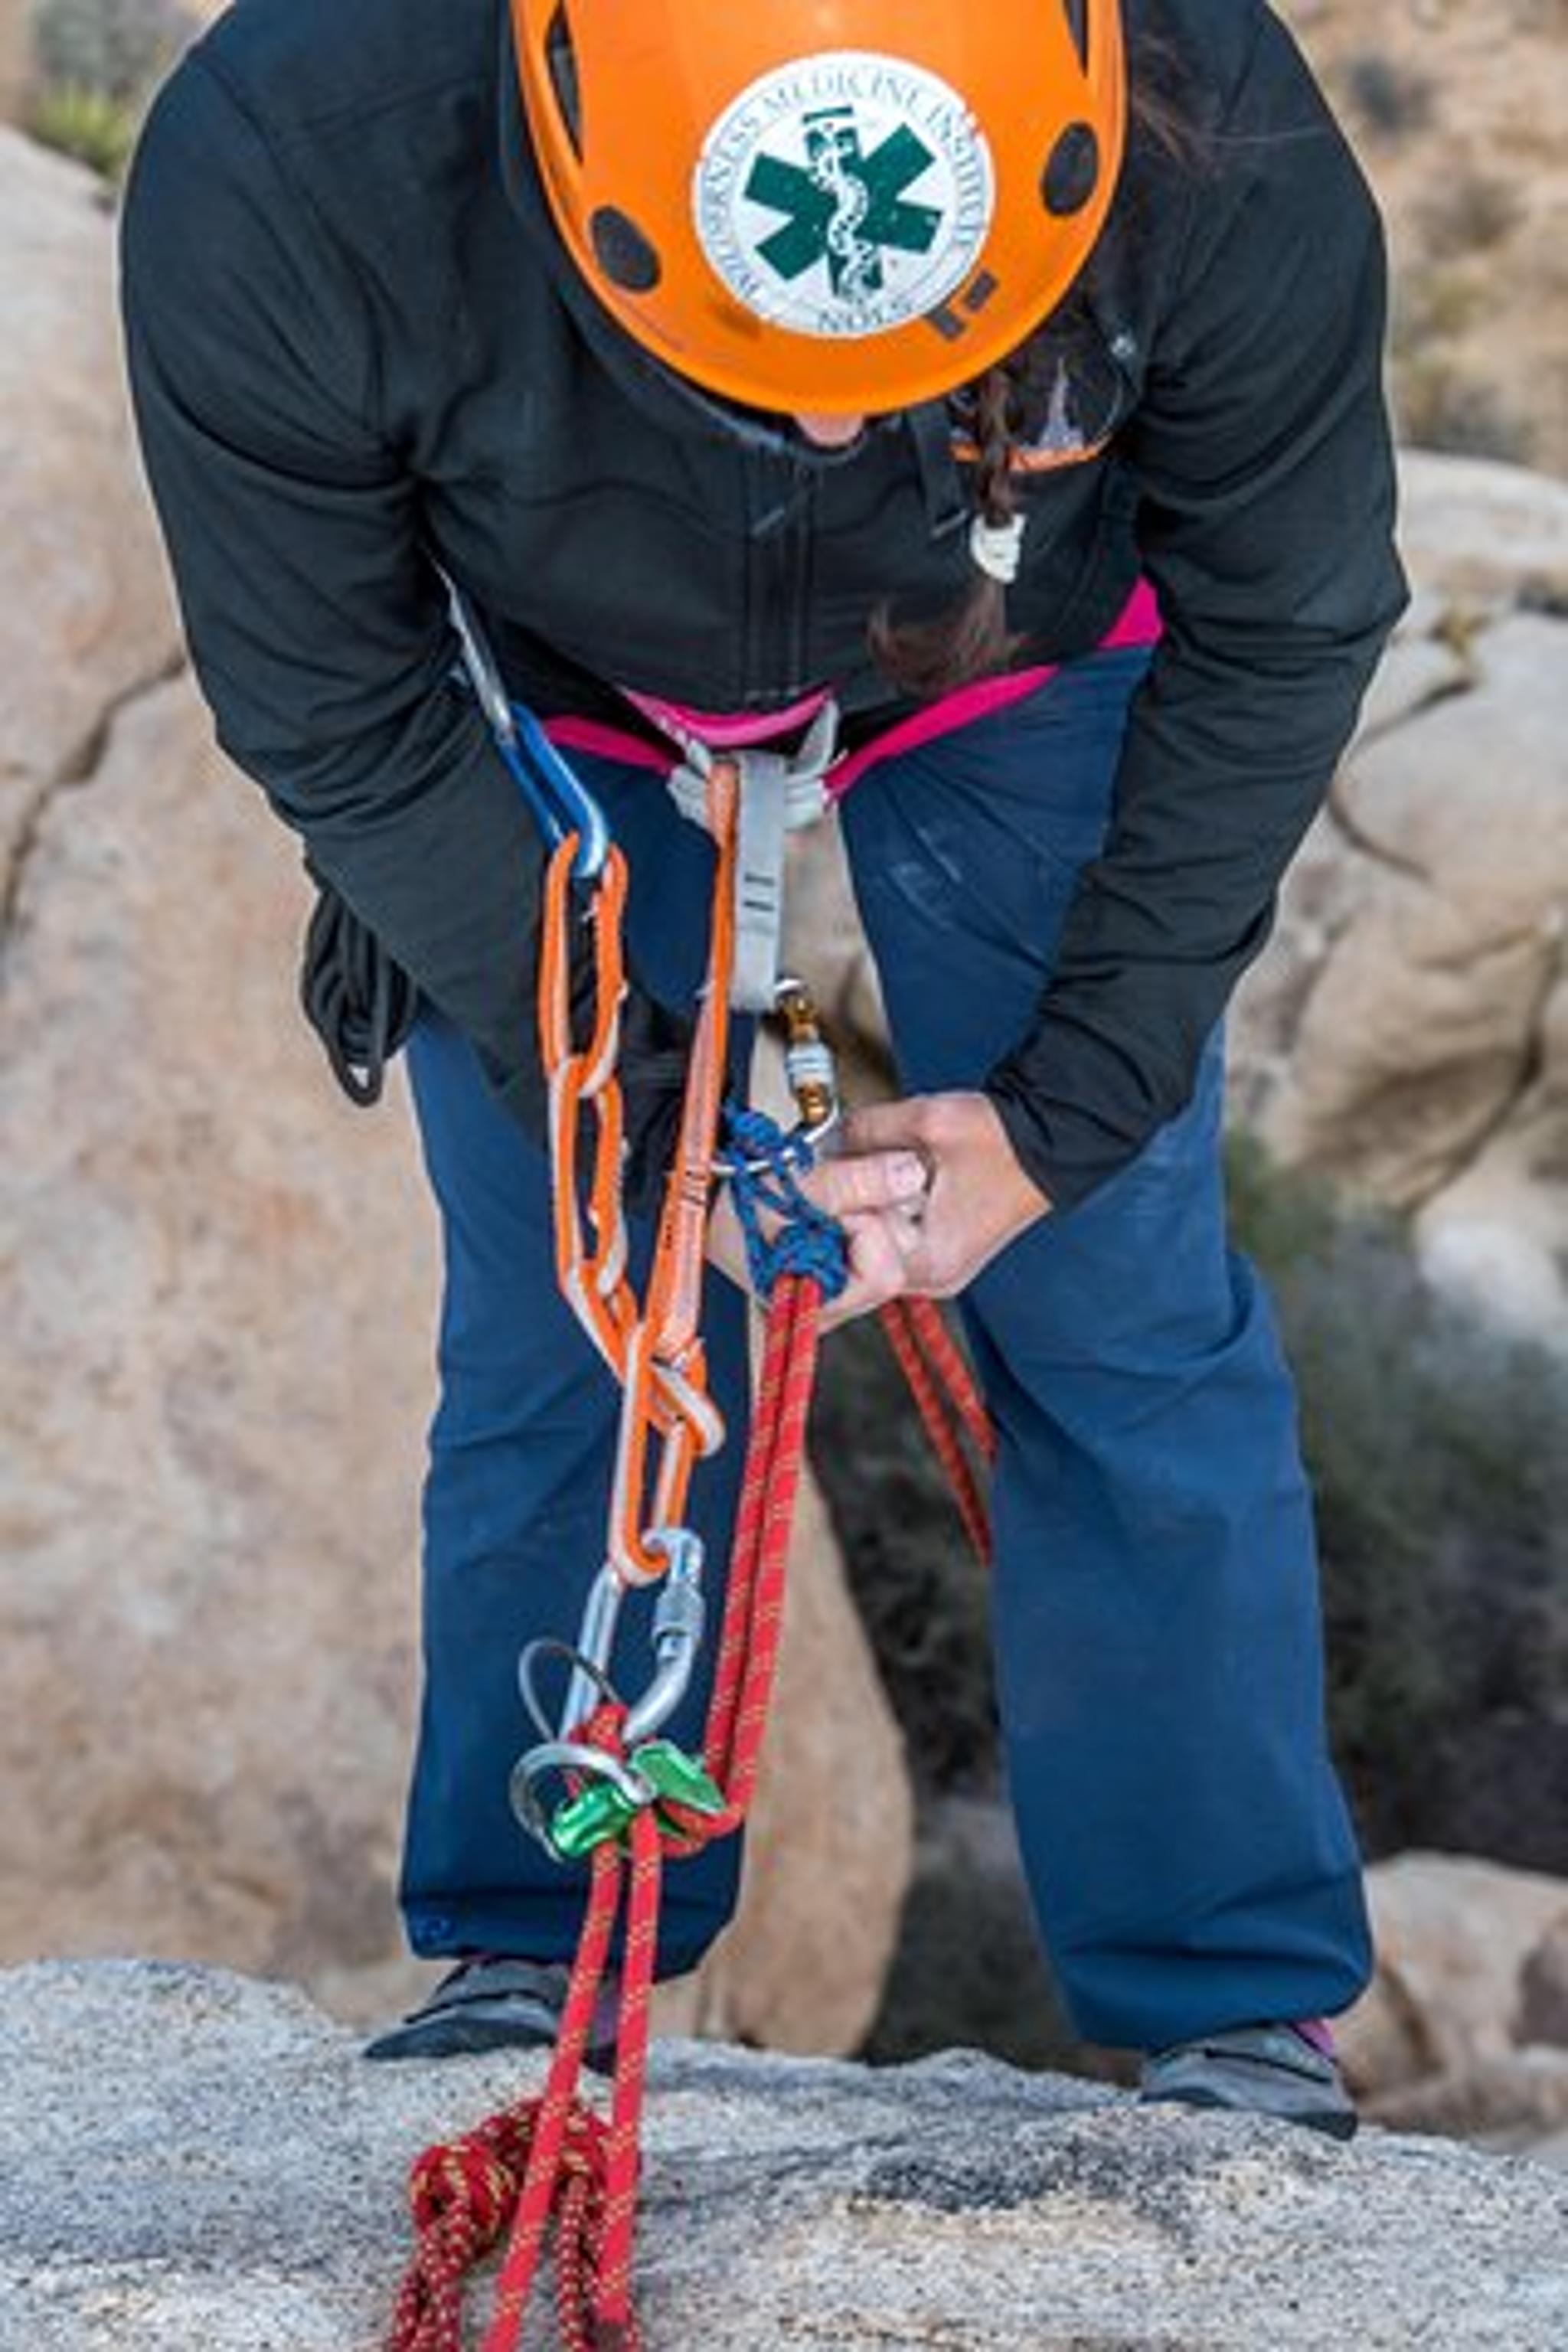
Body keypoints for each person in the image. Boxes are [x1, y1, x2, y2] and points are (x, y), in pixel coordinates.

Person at [120, 0, 1406, 2138]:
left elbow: (1291, 611)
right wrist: (623, 1107)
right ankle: (542, 1956)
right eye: (753, 369)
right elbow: (338, 709)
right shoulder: (304, 150)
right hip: (551, 673)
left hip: (1019, 647)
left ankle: (1234, 2002)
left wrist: (1070, 1107)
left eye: (887, 367)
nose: (827, 429)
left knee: (1115, 1289)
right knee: (591, 1305)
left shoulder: (1209, 114)